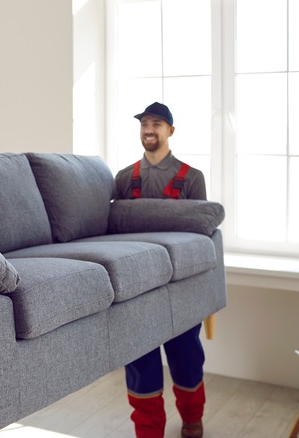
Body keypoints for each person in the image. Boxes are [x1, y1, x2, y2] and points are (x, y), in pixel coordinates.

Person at [113, 102, 207, 438]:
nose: (149, 130)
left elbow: (201, 240)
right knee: (141, 364)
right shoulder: (124, 180)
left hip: (180, 287)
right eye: (144, 124)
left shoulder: (192, 180)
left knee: (187, 357)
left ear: (171, 131)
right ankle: (148, 433)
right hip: (138, 287)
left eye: (156, 124)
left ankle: (192, 419)